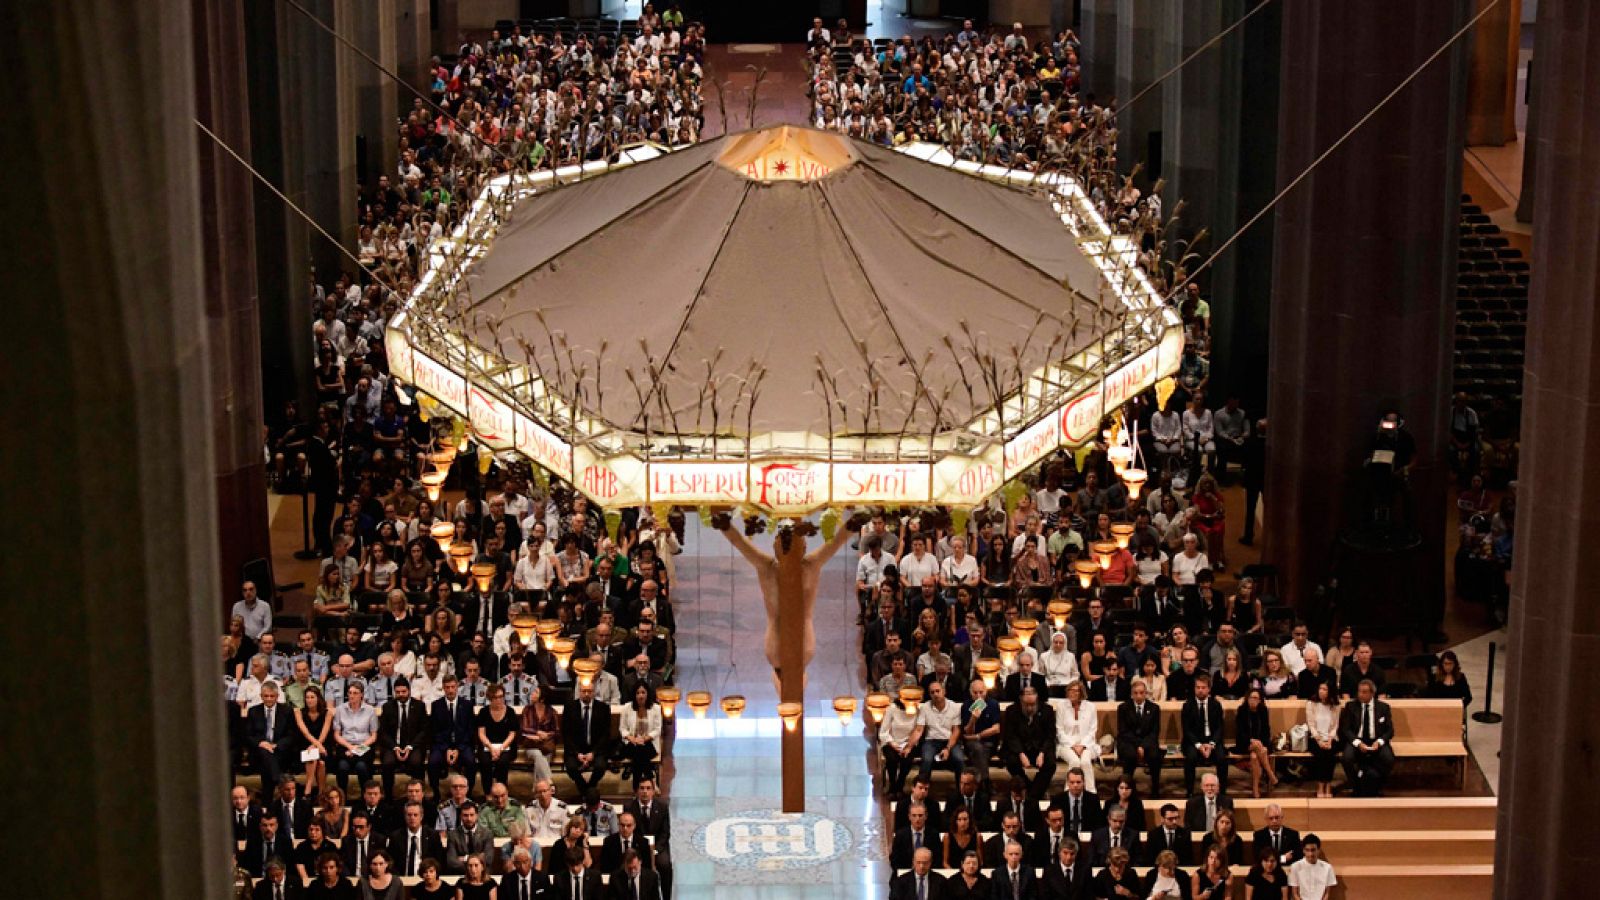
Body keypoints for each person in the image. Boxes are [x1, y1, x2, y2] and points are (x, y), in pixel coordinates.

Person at [1338, 679, 1394, 796]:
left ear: (1372, 693)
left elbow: (1390, 731)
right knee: (1347, 758)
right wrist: (1358, 743)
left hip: (1376, 740)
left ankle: (1377, 786)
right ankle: (1356, 786)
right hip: (1356, 740)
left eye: (1364, 692)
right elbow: (1346, 729)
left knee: (1388, 759)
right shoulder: (1351, 706)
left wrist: (1379, 742)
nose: (1360, 694)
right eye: (1359, 691)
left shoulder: (1383, 707)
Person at [1001, 686, 1057, 799]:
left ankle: (1033, 794)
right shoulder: (1011, 710)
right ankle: (1029, 788)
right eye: (1027, 704)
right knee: (1011, 762)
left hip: (1040, 747)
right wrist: (1021, 753)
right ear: (1021, 700)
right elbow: (1010, 736)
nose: (1030, 707)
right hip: (1019, 747)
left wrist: (1042, 753)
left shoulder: (1047, 710)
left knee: (1050, 764)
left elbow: (1050, 736)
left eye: (1033, 704)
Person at [377, 676, 428, 796]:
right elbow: (383, 732)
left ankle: (418, 795)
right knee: (388, 763)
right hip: (393, 745)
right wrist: (395, 747)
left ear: (409, 691)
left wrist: (410, 747)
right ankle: (388, 796)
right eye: (398, 692)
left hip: (413, 745)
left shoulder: (419, 706)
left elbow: (424, 731)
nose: (401, 695)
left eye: (403, 691)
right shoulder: (387, 707)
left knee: (416, 762)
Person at [563, 681, 615, 794]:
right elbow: (566, 734)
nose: (586, 694)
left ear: (594, 692)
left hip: (596, 749)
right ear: (579, 692)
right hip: (576, 750)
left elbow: (605, 734)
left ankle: (590, 787)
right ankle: (585, 790)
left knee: (600, 766)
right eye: (584, 691)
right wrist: (577, 753)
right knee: (571, 767)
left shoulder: (603, 708)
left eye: (589, 691)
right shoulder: (570, 707)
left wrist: (593, 753)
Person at [249, 682, 299, 796]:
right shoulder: (253, 711)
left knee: (267, 768)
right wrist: (261, 743)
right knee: (264, 753)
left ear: (277, 696)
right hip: (259, 753)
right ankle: (279, 780)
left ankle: (268, 800)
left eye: (272, 696)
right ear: (261, 696)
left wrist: (276, 745)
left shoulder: (287, 711)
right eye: (266, 696)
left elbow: (292, 735)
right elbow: (248, 735)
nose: (269, 699)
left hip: (280, 751)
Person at [1180, 674, 1228, 796]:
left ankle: (1222, 791)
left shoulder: (1216, 705)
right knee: (1190, 758)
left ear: (1209, 689)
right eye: (1198, 687)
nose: (1200, 690)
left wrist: (1211, 744)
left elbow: (1220, 728)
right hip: (1193, 741)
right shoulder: (1187, 706)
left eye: (1203, 687)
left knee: (1222, 758)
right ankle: (1190, 791)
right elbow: (1187, 729)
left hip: (1212, 740)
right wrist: (1199, 745)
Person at [429, 674, 477, 793]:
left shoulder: (467, 705)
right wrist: (446, 749)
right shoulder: (436, 705)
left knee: (471, 762)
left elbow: (470, 731)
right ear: (443, 688)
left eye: (452, 687)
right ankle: (436, 794)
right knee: (433, 762)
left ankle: (468, 793)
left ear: (457, 687)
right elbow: (434, 732)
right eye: (447, 687)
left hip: (462, 744)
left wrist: (458, 749)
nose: (450, 690)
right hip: (442, 745)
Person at [1116, 680, 1164, 792]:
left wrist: (1143, 746)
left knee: (1155, 756)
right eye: (1136, 693)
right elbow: (1123, 731)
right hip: (1128, 742)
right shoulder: (1123, 708)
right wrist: (1138, 745)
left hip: (1148, 742)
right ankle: (1127, 787)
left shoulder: (1154, 708)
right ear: (1131, 694)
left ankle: (1155, 788)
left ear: (1146, 693)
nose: (1138, 696)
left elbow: (1154, 732)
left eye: (1141, 693)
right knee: (1130, 756)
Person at [1054, 680, 1100, 790]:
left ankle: (1091, 792)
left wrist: (1082, 745)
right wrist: (1073, 745)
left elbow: (1092, 730)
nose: (1072, 693)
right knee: (1074, 761)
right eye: (1070, 690)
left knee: (1085, 761)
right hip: (1066, 744)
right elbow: (1059, 731)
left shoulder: (1091, 707)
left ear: (1081, 693)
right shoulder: (1061, 706)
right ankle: (1069, 791)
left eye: (1076, 691)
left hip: (1087, 744)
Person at [1234, 688, 1278, 798]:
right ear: (1247, 699)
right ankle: (1270, 773)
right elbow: (1240, 731)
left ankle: (1255, 789)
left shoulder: (1263, 710)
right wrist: (1251, 740)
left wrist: (1260, 742)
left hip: (1261, 744)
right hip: (1244, 743)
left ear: (1260, 700)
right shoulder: (1242, 710)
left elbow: (1266, 730)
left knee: (1254, 757)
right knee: (1260, 749)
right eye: (1251, 697)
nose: (1253, 700)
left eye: (1256, 698)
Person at [917, 679, 965, 780]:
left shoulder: (954, 706)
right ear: (929, 695)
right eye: (932, 692)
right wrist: (908, 746)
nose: (935, 694)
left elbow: (956, 730)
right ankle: (922, 787)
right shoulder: (924, 707)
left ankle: (962, 788)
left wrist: (947, 748)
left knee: (959, 759)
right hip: (931, 741)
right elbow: (919, 730)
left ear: (944, 691)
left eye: (938, 691)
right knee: (927, 759)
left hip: (950, 741)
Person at [475, 684, 518, 796]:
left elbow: (512, 734)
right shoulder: (484, 712)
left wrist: (501, 749)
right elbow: (481, 733)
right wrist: (491, 748)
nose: (499, 700)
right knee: (485, 762)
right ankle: (488, 793)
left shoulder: (510, 712)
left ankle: (501, 793)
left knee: (502, 762)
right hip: (487, 745)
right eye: (495, 697)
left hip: (506, 746)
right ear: (490, 698)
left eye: (501, 696)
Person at [880, 689, 922, 797]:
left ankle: (900, 785)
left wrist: (908, 746)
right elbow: (883, 732)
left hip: (909, 743)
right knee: (892, 759)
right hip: (891, 742)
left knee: (907, 760)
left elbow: (918, 730)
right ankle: (892, 786)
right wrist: (893, 744)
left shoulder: (919, 709)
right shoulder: (892, 708)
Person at [618, 682, 662, 784]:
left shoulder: (656, 708)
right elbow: (622, 729)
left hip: (650, 743)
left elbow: (657, 729)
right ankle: (650, 779)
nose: (640, 696)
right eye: (638, 693)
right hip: (631, 743)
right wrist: (632, 739)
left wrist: (644, 739)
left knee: (639, 752)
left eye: (643, 692)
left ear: (647, 693)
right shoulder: (627, 708)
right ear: (634, 695)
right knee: (639, 751)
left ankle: (636, 786)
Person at [961, 679, 1002, 785]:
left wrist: (978, 736)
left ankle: (979, 784)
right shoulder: (966, 705)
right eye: (975, 693)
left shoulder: (993, 704)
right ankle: (985, 782)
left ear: (986, 691)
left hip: (989, 742)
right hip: (972, 744)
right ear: (970, 693)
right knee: (978, 749)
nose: (978, 696)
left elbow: (996, 729)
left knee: (980, 752)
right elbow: (968, 733)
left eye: (981, 692)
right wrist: (973, 719)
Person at [1304, 681, 1341, 798]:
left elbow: (1335, 726)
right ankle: (1320, 785)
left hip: (1331, 737)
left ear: (1330, 691)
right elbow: (1311, 725)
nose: (1321, 691)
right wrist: (1319, 740)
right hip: (1315, 738)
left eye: (1325, 689)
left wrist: (1329, 739)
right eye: (1320, 688)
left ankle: (1328, 785)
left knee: (1330, 753)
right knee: (1321, 753)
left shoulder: (1336, 705)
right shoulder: (1311, 704)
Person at [241, 809, 296, 878]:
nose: (268, 829)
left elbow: (290, 867)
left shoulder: (286, 842)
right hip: (258, 879)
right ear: (260, 827)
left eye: (271, 825)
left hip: (279, 879)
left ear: (276, 826)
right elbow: (247, 866)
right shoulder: (252, 842)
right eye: (265, 825)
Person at [445, 801, 495, 875]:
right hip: (461, 874)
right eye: (465, 815)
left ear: (477, 815)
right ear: (460, 816)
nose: (469, 818)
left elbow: (488, 859)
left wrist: (464, 858)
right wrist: (477, 861)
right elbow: (451, 861)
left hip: (483, 875)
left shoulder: (487, 834)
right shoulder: (453, 835)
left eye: (472, 815)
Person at [891, 802, 942, 871]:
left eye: (920, 815)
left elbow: (938, 858)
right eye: (914, 815)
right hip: (905, 872)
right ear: (909, 817)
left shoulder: (934, 834)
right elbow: (894, 859)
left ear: (926, 816)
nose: (917, 819)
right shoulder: (900, 835)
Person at [1286, 835, 1336, 900]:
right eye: (1307, 850)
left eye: (1313, 850)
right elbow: (1295, 894)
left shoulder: (1328, 867)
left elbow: (1327, 894)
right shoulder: (1295, 866)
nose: (1310, 854)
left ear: (1318, 850)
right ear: (1303, 850)